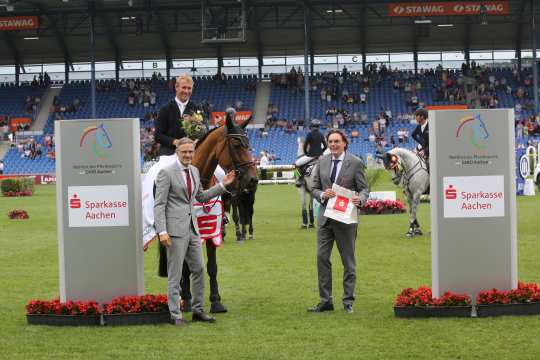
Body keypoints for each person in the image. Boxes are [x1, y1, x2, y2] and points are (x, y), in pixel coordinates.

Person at [154, 137, 236, 326]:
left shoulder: (195, 171)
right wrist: (162, 231)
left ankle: (198, 310)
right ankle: (175, 315)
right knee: (175, 274)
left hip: (193, 228)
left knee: (199, 269)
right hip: (174, 230)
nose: (188, 155)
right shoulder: (166, 173)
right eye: (184, 152)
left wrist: (223, 185)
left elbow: (200, 196)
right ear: (177, 152)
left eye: (191, 151)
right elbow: (159, 205)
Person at [309, 129, 369, 314]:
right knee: (321, 259)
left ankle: (348, 301)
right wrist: (321, 194)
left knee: (348, 262)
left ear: (344, 143)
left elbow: (364, 189)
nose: (333, 144)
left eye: (337, 141)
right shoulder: (323, 161)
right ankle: (325, 300)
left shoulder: (356, 163)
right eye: (330, 141)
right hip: (325, 218)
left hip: (346, 220)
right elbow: (314, 186)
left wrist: (361, 199)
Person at [155, 74, 199, 156]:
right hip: (169, 153)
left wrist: (198, 139)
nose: (186, 91)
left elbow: (204, 130)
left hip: (191, 153)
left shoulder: (197, 109)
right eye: (184, 87)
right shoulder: (165, 109)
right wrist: (176, 142)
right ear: (176, 87)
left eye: (189, 88)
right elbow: (158, 135)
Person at [294, 119, 326, 185]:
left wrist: (306, 153)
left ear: (311, 126)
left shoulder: (309, 134)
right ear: (318, 126)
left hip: (311, 155)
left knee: (295, 165)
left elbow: (305, 145)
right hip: (320, 156)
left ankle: (300, 179)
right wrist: (321, 152)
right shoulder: (321, 135)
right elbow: (325, 146)